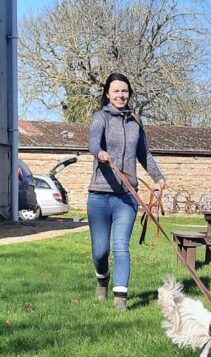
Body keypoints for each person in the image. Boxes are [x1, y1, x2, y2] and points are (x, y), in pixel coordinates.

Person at [87, 72, 165, 311]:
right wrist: (99, 154)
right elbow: (92, 143)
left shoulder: (136, 121)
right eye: (116, 91)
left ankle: (120, 298)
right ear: (108, 94)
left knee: (121, 245)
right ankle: (102, 278)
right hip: (99, 195)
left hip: (127, 197)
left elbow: (144, 154)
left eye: (124, 91)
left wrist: (159, 177)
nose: (121, 95)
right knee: (100, 251)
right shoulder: (100, 118)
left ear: (129, 93)